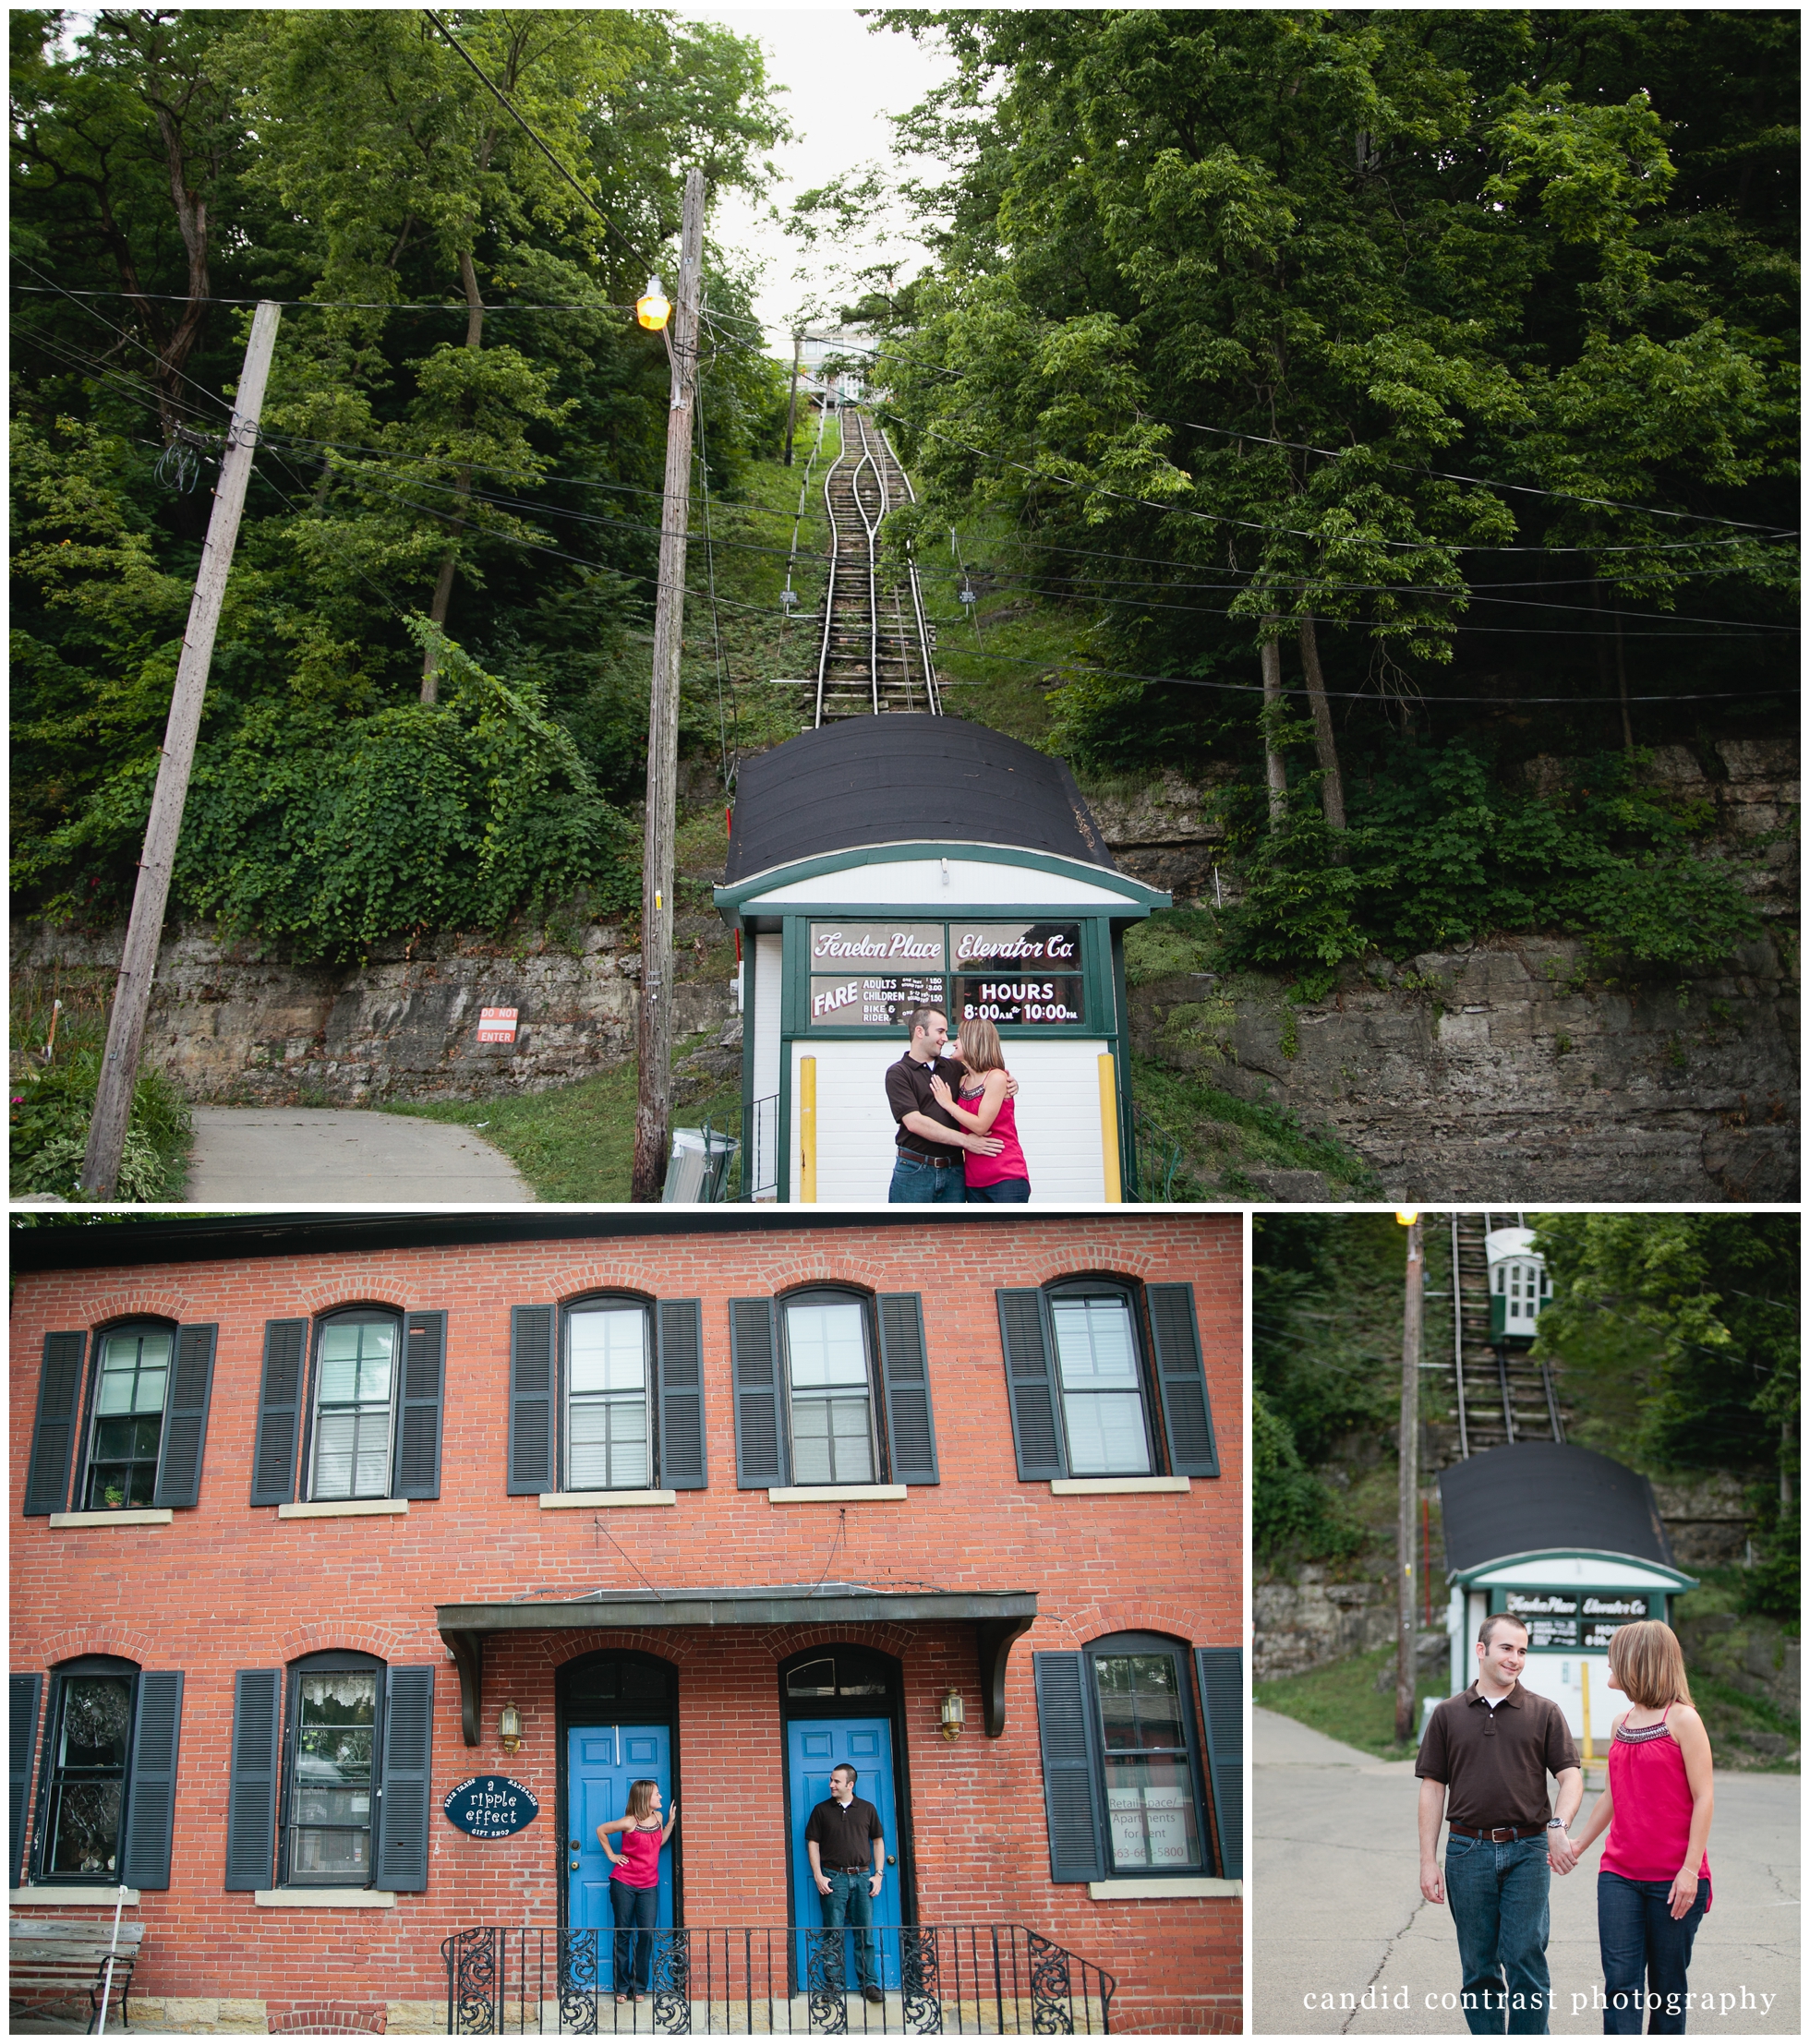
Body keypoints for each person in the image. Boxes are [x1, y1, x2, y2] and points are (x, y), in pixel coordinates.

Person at [1416, 1612, 1582, 2035]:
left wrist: (1558, 1825)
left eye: (1522, 1651)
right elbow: (1433, 1789)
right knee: (1479, 1967)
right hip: (1466, 1852)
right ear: (1482, 1650)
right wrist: (1427, 1861)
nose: (1515, 1659)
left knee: (1525, 1956)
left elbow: (1571, 1777)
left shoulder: (1545, 1712)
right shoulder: (1447, 1715)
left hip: (1528, 1850)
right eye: (1507, 1648)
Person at [1548, 1620, 1713, 2035]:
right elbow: (1611, 1795)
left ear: (1637, 1660)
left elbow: (1705, 1798)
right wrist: (1579, 1844)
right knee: (1620, 1985)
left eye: (1614, 1654)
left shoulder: (1684, 1720)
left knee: (1666, 1989)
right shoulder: (1621, 1722)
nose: (1608, 1661)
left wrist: (1690, 1871)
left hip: (1674, 1880)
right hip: (1619, 1876)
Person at [883, 1005, 1006, 1204]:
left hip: (954, 1171)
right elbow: (914, 1122)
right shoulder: (899, 1073)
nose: (945, 1038)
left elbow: (988, 1076)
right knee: (906, 1232)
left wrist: (1010, 1081)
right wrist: (966, 1141)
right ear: (920, 1032)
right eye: (940, 1031)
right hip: (914, 1169)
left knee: (954, 1232)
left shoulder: (956, 1067)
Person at [803, 1762, 887, 2005]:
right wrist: (818, 1875)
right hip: (833, 1878)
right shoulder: (821, 1810)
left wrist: (878, 1874)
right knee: (833, 1935)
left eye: (836, 1781)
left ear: (850, 1784)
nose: (831, 1784)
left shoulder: (867, 1809)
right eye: (831, 1780)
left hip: (862, 1878)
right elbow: (813, 1844)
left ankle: (869, 1984)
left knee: (865, 1935)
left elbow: (878, 1841)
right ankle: (833, 1986)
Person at [929, 1018, 1031, 1201]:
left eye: (959, 1037)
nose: (953, 1042)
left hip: (1006, 1176)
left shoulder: (996, 1077)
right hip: (973, 1181)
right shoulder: (961, 1080)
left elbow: (981, 1126)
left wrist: (948, 1103)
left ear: (973, 1040)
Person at [597, 1779, 677, 2003]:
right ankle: (622, 1988)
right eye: (657, 1795)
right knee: (623, 1932)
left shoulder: (659, 1818)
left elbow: (658, 1842)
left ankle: (639, 1986)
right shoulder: (629, 1822)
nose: (660, 1797)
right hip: (624, 1883)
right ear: (645, 1798)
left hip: (649, 1885)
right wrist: (612, 1856)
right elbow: (601, 1830)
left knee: (646, 1933)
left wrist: (670, 1822)